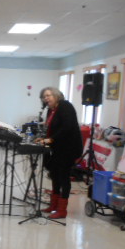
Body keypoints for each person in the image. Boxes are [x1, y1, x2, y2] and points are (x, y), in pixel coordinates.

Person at [35, 87, 83, 219]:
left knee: (63, 176)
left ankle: (62, 210)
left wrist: (50, 139)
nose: (46, 98)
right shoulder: (50, 110)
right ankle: (53, 205)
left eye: (48, 95)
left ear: (56, 95)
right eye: (44, 96)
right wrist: (44, 138)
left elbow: (67, 127)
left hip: (69, 147)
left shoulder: (65, 106)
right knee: (54, 174)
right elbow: (51, 128)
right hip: (57, 146)